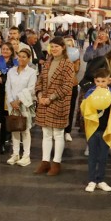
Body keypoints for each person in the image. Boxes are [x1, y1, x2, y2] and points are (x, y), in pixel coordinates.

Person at [34, 41, 77, 177]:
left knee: (58, 134)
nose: (53, 49)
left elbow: (67, 86)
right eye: (52, 46)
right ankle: (45, 161)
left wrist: (50, 98)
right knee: (46, 133)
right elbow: (39, 80)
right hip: (44, 102)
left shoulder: (68, 64)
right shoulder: (48, 62)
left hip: (58, 103)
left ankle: (56, 162)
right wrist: (40, 95)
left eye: (56, 46)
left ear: (63, 47)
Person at [80, 69, 111, 189]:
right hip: (93, 128)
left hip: (106, 128)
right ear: (94, 81)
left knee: (103, 156)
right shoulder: (90, 92)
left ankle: (101, 179)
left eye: (103, 81)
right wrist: (91, 96)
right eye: (98, 81)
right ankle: (92, 180)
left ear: (108, 80)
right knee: (93, 155)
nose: (101, 84)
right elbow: (83, 108)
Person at [5, 44, 37, 166]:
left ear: (29, 59)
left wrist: (19, 101)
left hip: (24, 104)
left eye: (24, 57)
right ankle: (15, 153)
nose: (21, 59)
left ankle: (26, 155)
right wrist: (12, 101)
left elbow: (30, 88)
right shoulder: (11, 71)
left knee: (25, 129)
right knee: (14, 128)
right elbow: (8, 86)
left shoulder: (32, 72)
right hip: (12, 104)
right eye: (20, 56)